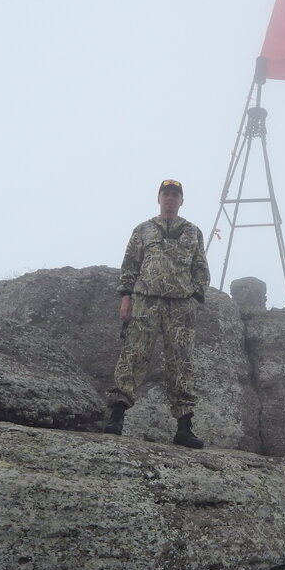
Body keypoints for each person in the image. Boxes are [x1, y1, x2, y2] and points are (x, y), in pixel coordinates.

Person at [103, 178, 210, 448]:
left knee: (181, 363)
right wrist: (126, 298)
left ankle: (184, 427)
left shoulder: (193, 232)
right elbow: (130, 265)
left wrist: (194, 297)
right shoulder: (143, 229)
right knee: (133, 355)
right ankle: (116, 418)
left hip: (180, 305)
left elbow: (201, 267)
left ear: (182, 200)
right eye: (166, 194)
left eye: (176, 194)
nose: (171, 198)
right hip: (145, 301)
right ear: (159, 198)